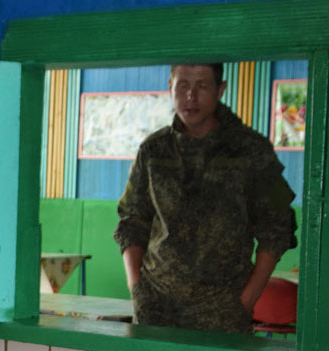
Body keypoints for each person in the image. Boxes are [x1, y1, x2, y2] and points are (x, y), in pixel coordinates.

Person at [114, 62, 297, 333]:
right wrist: (136, 287)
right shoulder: (153, 151)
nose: (191, 96)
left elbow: (279, 227)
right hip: (156, 308)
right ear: (169, 87)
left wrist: (246, 301)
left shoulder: (252, 151)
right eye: (183, 85)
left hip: (222, 312)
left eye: (202, 86)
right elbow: (131, 221)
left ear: (220, 90)